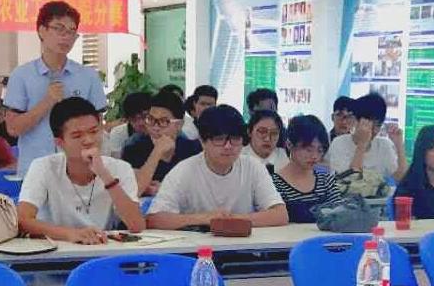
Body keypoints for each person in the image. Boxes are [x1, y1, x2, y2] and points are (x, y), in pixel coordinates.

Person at [17, 97, 145, 244]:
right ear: (60, 142)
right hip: (58, 250)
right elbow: (23, 220)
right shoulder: (43, 167)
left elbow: (137, 226)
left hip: (103, 248)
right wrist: (70, 234)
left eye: (94, 132)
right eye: (77, 136)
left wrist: (104, 174)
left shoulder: (120, 168)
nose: (89, 140)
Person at [3, 1, 106, 174]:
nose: (66, 37)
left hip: (79, 171)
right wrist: (47, 101)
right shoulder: (21, 75)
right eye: (59, 29)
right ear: (41, 31)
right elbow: (13, 129)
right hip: (35, 171)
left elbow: (98, 127)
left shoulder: (88, 76)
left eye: (71, 31)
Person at [146, 104, 286, 230]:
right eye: (219, 139)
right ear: (202, 141)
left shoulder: (253, 167)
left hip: (243, 246)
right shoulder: (184, 170)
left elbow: (280, 214)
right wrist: (204, 219)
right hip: (196, 247)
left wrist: (231, 220)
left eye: (235, 139)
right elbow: (154, 219)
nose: (228, 146)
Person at [122, 90, 202, 195]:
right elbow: (131, 191)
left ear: (179, 125)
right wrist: (156, 152)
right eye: (150, 120)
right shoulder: (132, 149)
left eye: (163, 121)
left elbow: (202, 189)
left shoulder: (194, 151)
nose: (155, 127)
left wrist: (165, 189)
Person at [326, 92, 407, 195]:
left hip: (378, 202)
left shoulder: (384, 145)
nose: (374, 130)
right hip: (347, 202)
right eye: (369, 125)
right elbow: (351, 181)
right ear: (355, 121)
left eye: (378, 125)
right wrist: (362, 144)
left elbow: (401, 179)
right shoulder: (339, 143)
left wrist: (399, 146)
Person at [272, 115, 343, 224]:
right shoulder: (275, 184)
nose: (314, 156)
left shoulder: (326, 180)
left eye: (320, 150)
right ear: (289, 144)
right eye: (308, 149)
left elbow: (340, 214)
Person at [104, 91, 153, 158]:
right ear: (127, 120)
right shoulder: (118, 133)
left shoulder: (160, 130)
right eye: (134, 119)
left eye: (144, 117)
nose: (140, 123)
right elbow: (116, 160)